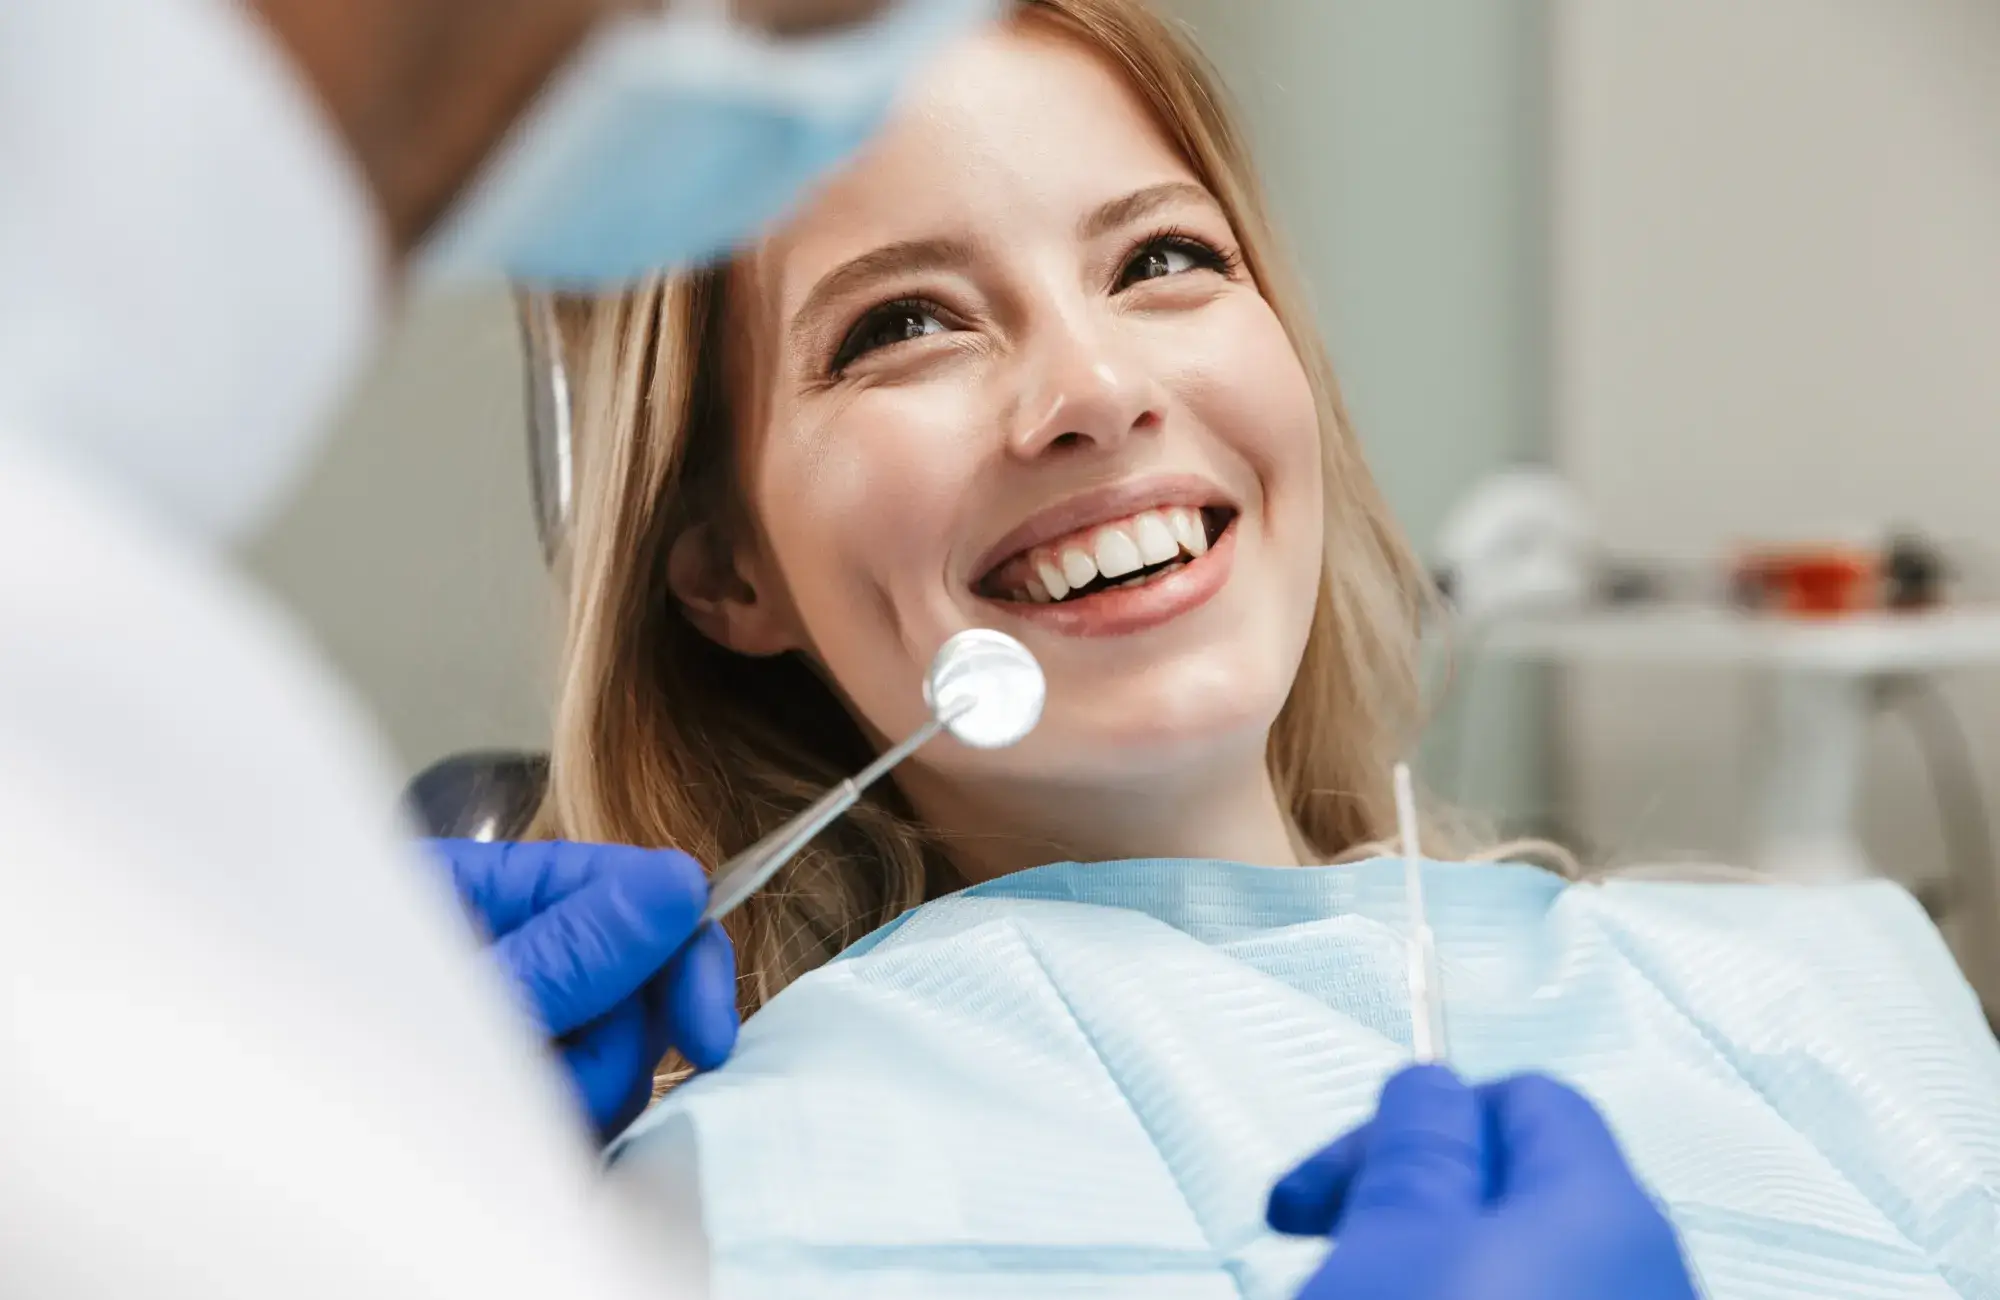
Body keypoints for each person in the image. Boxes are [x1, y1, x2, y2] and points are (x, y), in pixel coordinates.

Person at [448, 0, 1999, 1295]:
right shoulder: (688, 1208)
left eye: (1161, 260)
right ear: (726, 574)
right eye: (904, 323)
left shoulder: (1838, 1000)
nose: (1096, 385)